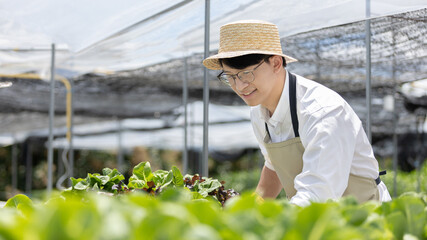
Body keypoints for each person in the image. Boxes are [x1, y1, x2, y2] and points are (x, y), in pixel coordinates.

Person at [203, 20, 391, 206]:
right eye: (230, 76)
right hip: (317, 220)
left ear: (276, 63)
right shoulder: (258, 112)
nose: (239, 86)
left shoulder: (323, 112)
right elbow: (274, 165)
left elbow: (318, 193)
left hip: (365, 219)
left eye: (246, 73)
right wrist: (253, 207)